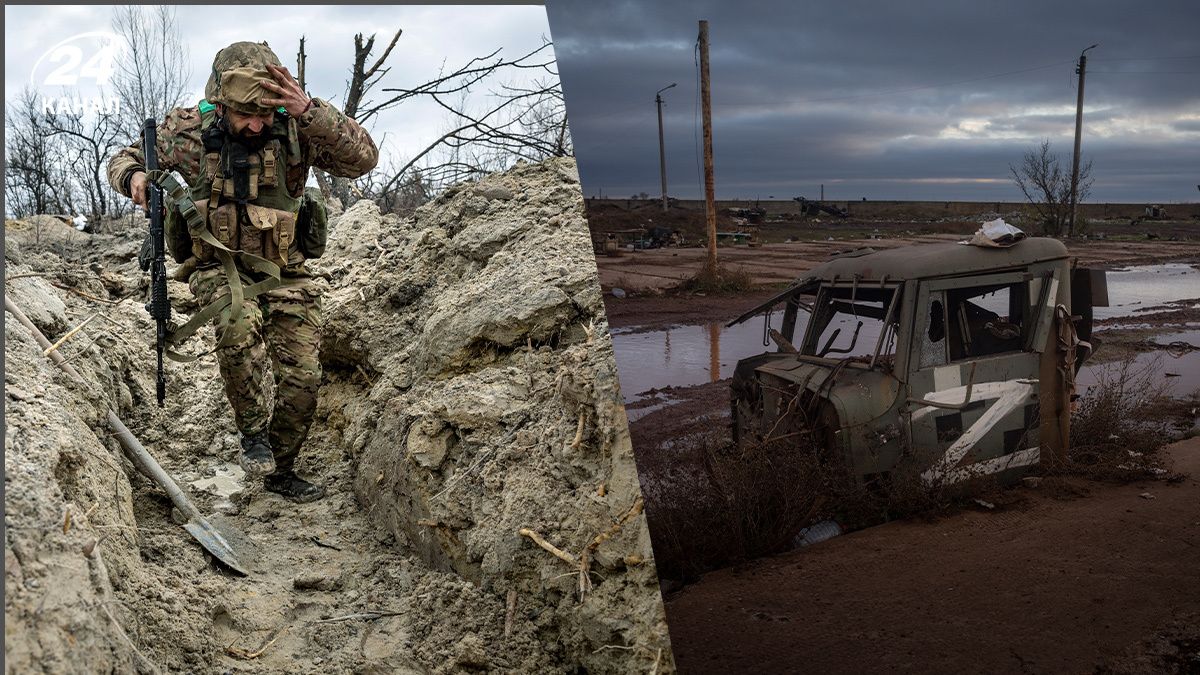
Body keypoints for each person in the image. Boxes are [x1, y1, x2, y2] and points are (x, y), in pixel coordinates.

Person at [108, 41, 378, 502]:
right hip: (217, 265)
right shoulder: (187, 132)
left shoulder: (298, 127)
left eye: (265, 114)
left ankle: (282, 465)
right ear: (222, 103)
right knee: (238, 322)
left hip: (285, 271)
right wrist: (132, 176)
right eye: (245, 115)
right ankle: (252, 434)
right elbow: (123, 159)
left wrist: (311, 111)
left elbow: (363, 159)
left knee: (304, 375)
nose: (257, 124)